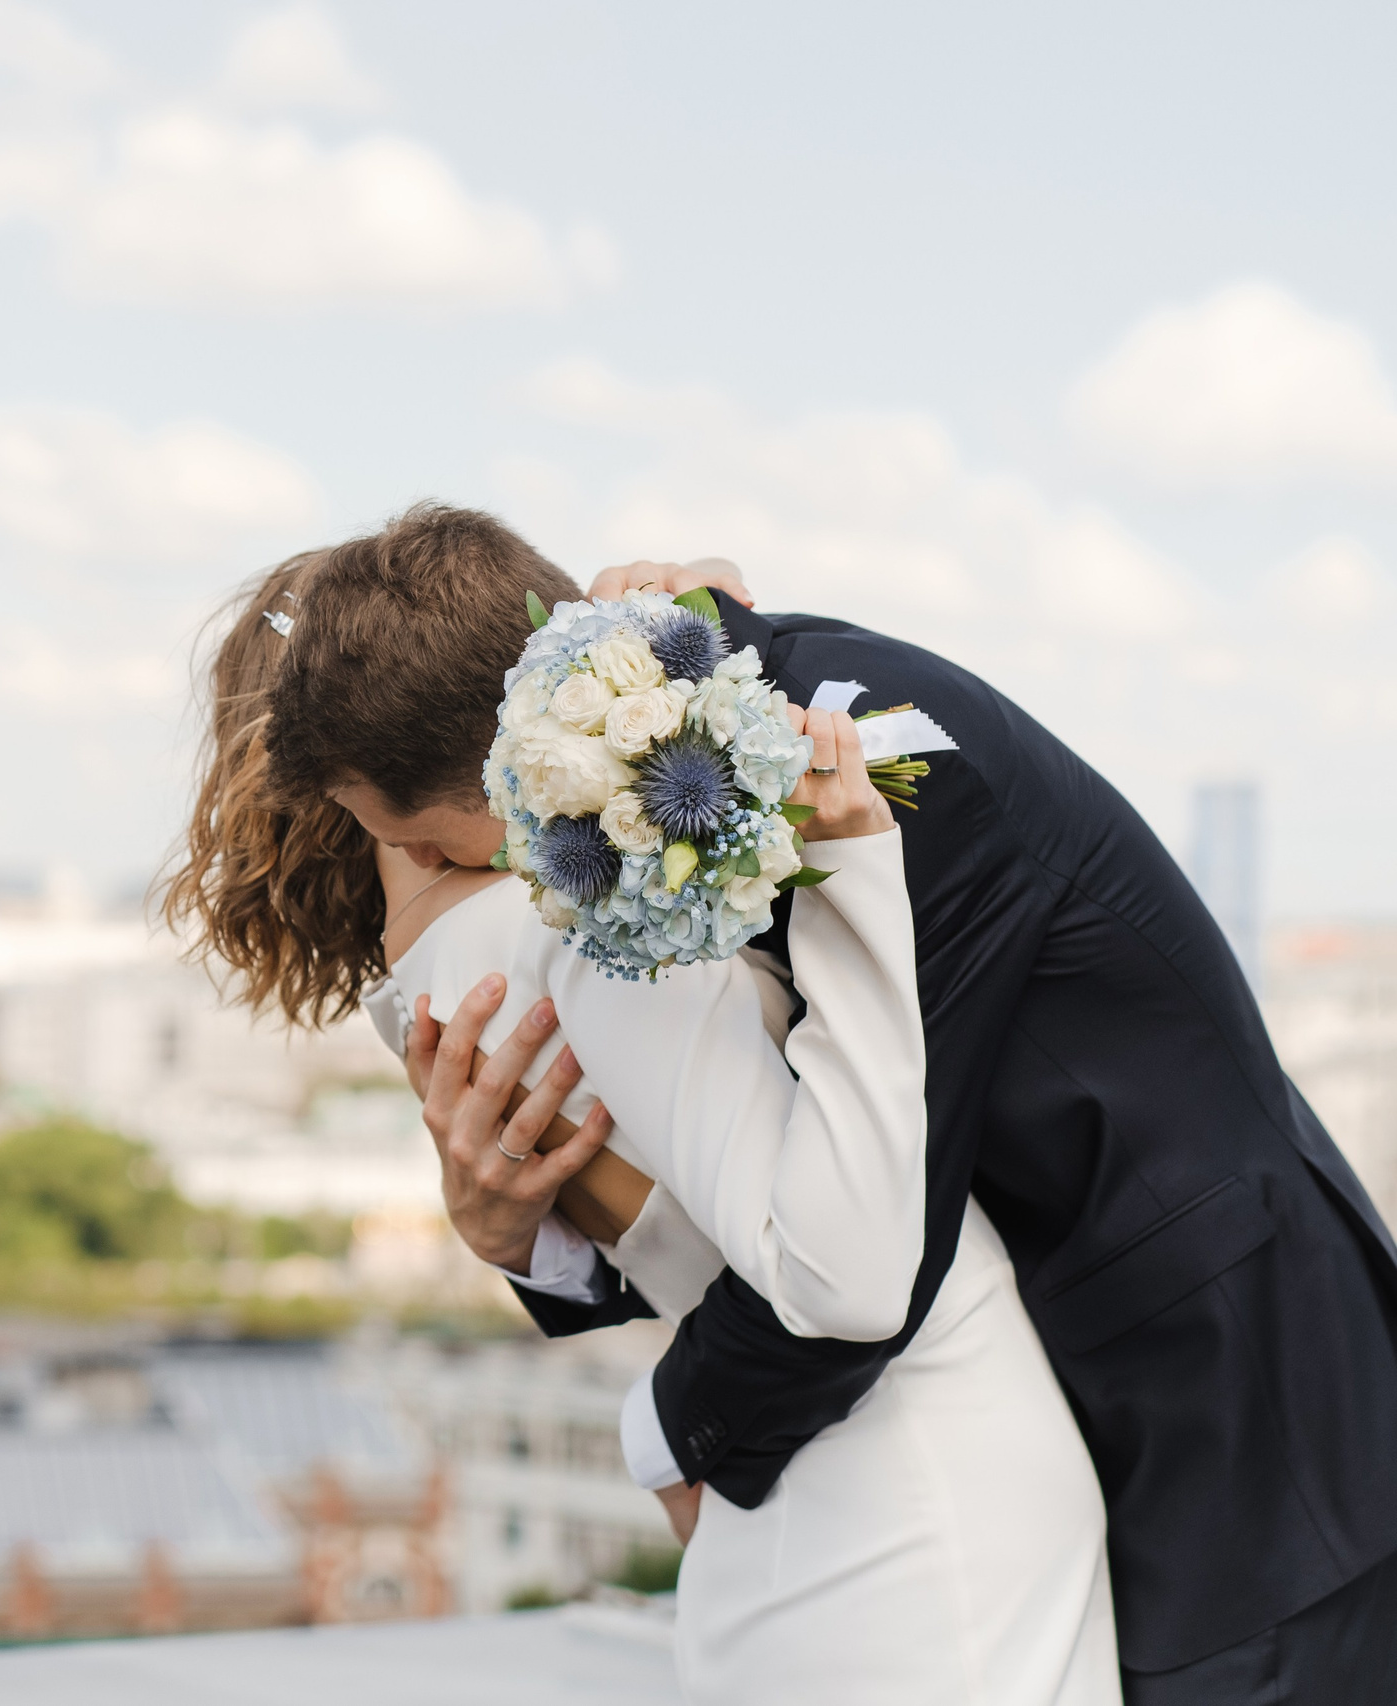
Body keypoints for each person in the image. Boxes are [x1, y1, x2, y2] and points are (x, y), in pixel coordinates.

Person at [259, 504, 1397, 1703]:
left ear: (516, 766)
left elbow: (868, 1241)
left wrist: (672, 1429)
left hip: (1238, 1413)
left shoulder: (880, 778)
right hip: (1084, 1397)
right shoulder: (698, 732)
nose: (432, 881)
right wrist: (525, 1241)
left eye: (424, 846)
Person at [162, 550, 1119, 1702]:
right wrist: (844, 863)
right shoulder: (577, 920)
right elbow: (834, 1260)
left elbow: (672, 1231)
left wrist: (543, 1270)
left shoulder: (425, 984)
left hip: (798, 1493)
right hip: (919, 1463)